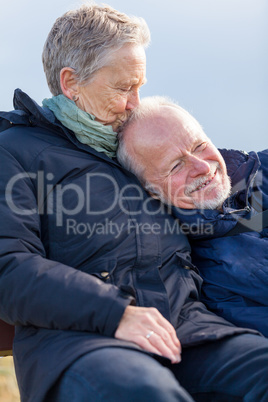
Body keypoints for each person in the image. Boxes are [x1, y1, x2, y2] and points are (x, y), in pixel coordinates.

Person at [0, 4, 267, 402]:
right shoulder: (14, 152)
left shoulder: (133, 148)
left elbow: (219, 184)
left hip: (188, 331)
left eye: (139, 86)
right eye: (124, 87)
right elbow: (8, 265)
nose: (134, 102)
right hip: (83, 342)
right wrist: (115, 312)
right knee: (145, 392)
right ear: (72, 82)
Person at [117, 95, 268, 337]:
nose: (203, 167)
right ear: (149, 191)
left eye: (200, 146)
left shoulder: (260, 168)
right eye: (176, 166)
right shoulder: (203, 273)